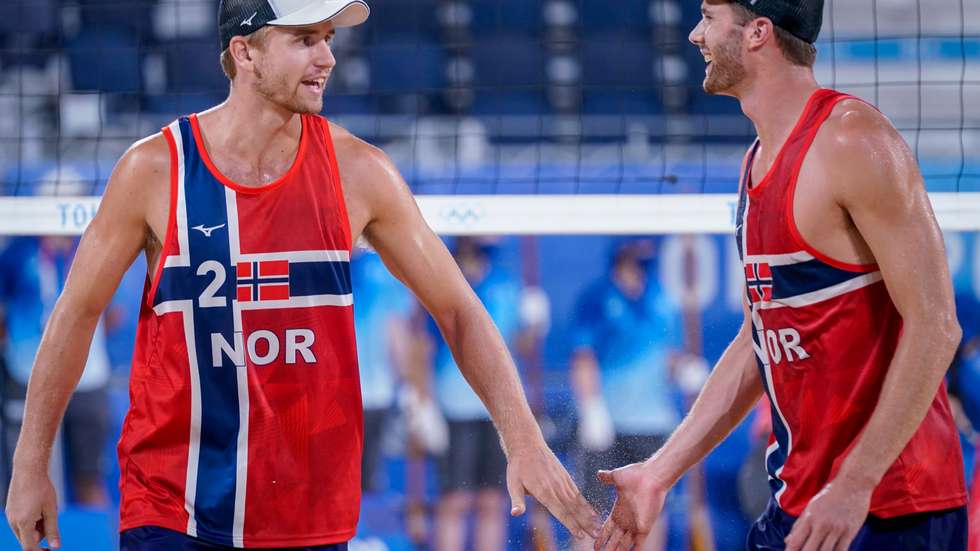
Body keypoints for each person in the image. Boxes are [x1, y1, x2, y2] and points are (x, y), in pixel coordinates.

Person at [3, 1, 598, 549]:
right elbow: (75, 315)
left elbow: (458, 310)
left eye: (329, 38)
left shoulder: (360, 171)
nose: (328, 58)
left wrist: (523, 438)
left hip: (308, 512)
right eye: (305, 39)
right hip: (172, 506)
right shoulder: (155, 168)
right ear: (245, 52)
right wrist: (29, 467)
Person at [595, 1, 967, 550]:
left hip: (890, 506)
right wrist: (659, 472)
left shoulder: (851, 139)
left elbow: (936, 326)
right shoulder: (755, 160)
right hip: (802, 501)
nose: (695, 34)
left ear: (758, 32)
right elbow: (759, 339)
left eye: (709, 17)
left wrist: (855, 481)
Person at [570, 238, 682, 551]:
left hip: (654, 423)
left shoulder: (661, 296)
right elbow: (583, 358)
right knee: (592, 511)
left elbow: (669, 353)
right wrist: (591, 407)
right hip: (607, 424)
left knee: (652, 512)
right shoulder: (596, 297)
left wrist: (685, 369)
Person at [422, 237, 520, 551]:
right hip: (454, 406)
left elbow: (519, 345)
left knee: (493, 500)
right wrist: (422, 401)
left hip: (498, 409)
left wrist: (534, 325)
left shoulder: (507, 284)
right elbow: (421, 346)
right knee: (455, 500)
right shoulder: (437, 278)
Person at [0, 236, 112, 508]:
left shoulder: (97, 242)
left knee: (89, 478)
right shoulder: (18, 252)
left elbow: (112, 312)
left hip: (87, 378)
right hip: (26, 375)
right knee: (24, 481)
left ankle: (97, 532)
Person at [350, 248, 413, 494]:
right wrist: (406, 384)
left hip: (341, 391)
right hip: (374, 392)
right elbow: (397, 332)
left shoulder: (321, 261)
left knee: (342, 478)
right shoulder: (385, 268)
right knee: (363, 479)